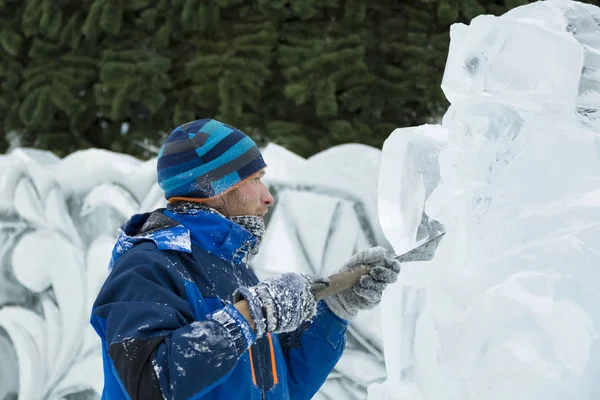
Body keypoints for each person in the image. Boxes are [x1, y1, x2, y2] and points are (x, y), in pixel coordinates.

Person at [91, 118, 401, 400]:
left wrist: (334, 312)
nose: (268, 196)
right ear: (215, 187)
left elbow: (285, 388)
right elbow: (151, 383)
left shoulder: (234, 271)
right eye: (254, 179)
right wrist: (251, 315)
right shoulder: (147, 268)